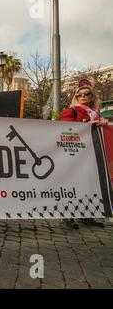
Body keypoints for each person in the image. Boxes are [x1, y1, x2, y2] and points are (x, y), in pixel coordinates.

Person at [60, 78, 108, 229]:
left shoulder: (96, 113)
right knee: (72, 184)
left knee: (90, 184)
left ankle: (87, 214)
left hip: (93, 155)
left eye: (87, 93)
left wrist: (104, 122)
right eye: (79, 94)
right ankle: (67, 215)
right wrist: (86, 125)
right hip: (75, 155)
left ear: (92, 96)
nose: (83, 96)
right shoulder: (72, 111)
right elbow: (63, 129)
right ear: (76, 96)